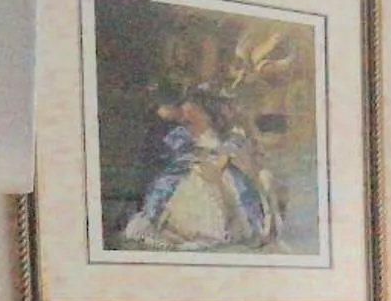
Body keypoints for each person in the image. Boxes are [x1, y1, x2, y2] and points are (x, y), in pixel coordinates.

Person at [121, 88, 282, 250]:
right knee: (175, 194)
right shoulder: (182, 134)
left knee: (218, 196)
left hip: (218, 175)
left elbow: (224, 158)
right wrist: (190, 158)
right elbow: (172, 152)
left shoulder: (226, 136)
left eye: (194, 111)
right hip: (189, 172)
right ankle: (173, 229)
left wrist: (215, 163)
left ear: (206, 113)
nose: (187, 115)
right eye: (186, 113)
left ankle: (212, 231)